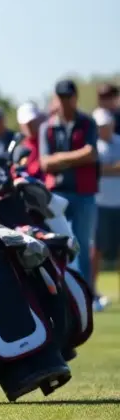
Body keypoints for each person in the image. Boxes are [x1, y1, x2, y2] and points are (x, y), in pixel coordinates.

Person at [39, 79, 100, 286]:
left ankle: (87, 293)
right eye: (61, 97)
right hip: (56, 194)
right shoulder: (47, 127)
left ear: (75, 98)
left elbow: (91, 154)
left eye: (68, 97)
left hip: (84, 193)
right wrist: (77, 156)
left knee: (83, 245)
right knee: (58, 245)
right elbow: (46, 164)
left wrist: (59, 158)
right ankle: (63, 290)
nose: (65, 101)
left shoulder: (87, 123)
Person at [91, 107, 119, 310]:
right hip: (99, 205)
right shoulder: (92, 145)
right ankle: (92, 292)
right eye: (99, 126)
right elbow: (94, 170)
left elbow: (100, 169)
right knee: (96, 250)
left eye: (105, 125)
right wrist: (113, 168)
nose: (103, 129)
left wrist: (103, 169)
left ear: (112, 124)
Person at [13, 102, 46, 179]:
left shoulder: (48, 139)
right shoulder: (19, 145)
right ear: (20, 125)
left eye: (32, 122)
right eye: (26, 124)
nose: (29, 126)